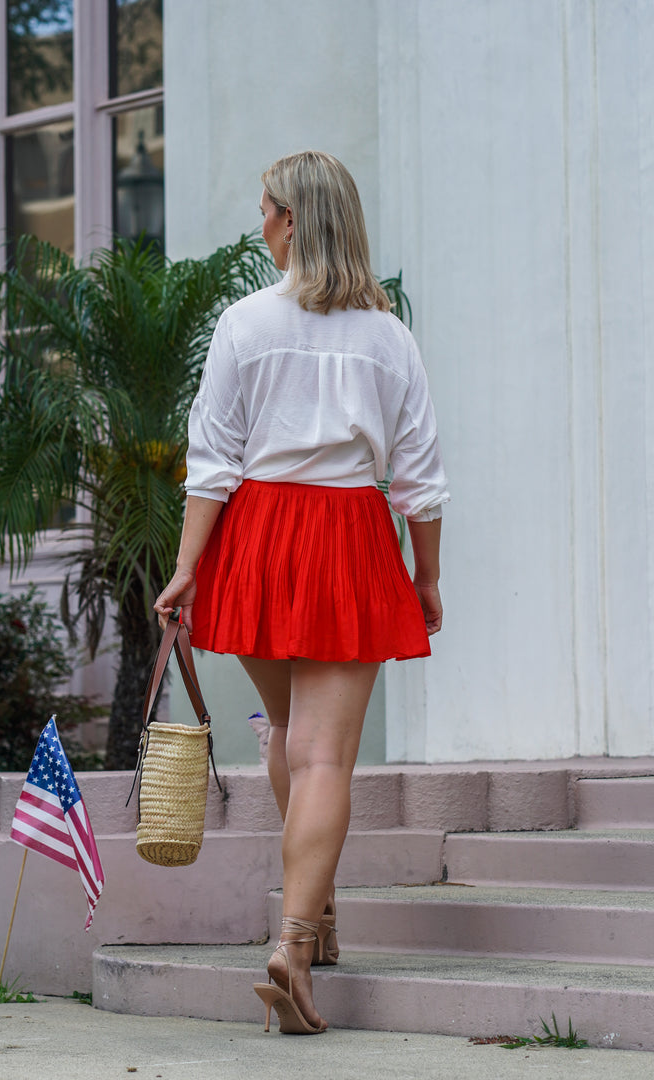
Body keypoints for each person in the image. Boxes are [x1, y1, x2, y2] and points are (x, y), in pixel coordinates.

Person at [154, 150, 449, 1035]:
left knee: (286, 733)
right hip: (350, 536)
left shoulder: (244, 323)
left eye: (265, 211)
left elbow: (213, 463)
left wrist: (186, 568)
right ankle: (295, 934)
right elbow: (421, 480)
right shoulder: (390, 338)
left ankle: (312, 916)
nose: (259, 225)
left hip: (257, 535)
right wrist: (425, 576)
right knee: (325, 755)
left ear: (290, 221)